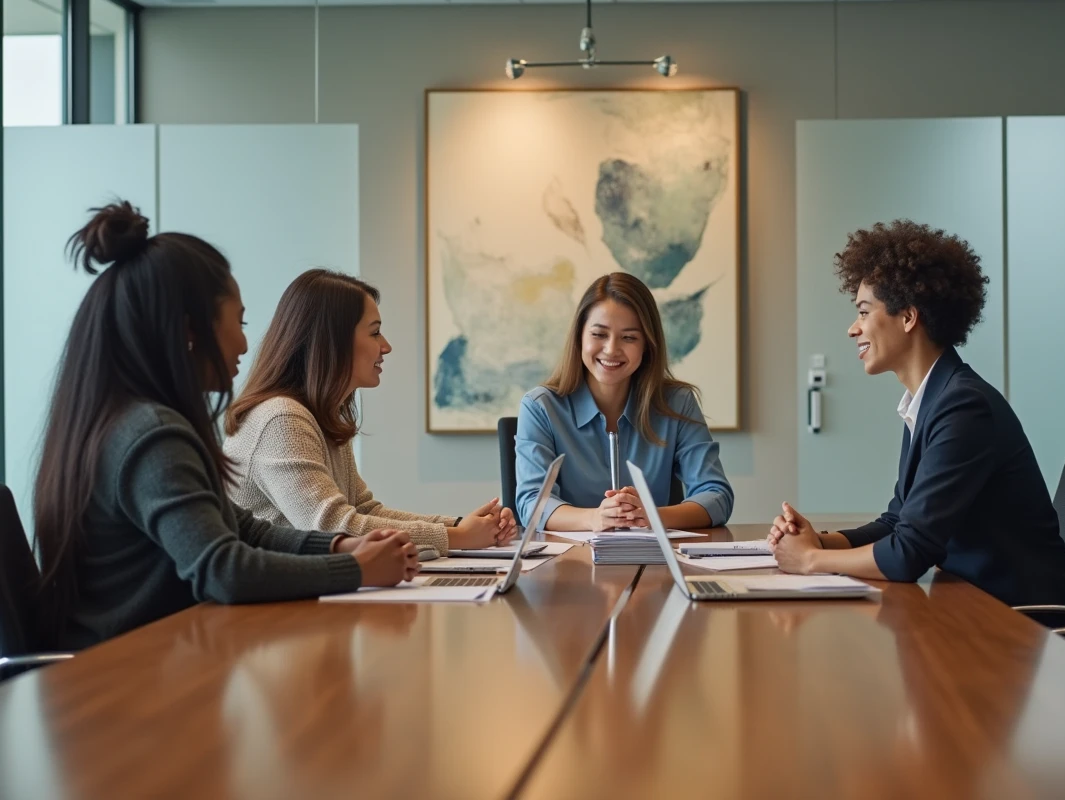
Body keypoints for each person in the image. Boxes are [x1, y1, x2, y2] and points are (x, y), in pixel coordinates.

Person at [33, 203, 420, 651]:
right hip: (127, 679)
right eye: (238, 322)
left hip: (155, 659)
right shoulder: (152, 435)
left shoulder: (135, 422)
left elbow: (243, 529)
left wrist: (338, 549)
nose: (243, 343)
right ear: (189, 332)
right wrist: (357, 570)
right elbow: (224, 569)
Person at [769, 220, 1065, 607]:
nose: (853, 329)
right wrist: (820, 540)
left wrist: (811, 560)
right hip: (975, 610)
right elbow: (897, 522)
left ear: (908, 317)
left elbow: (907, 555)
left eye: (864, 312)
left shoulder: (963, 407)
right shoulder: (933, 399)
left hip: (1023, 630)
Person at [224, 269, 514, 555]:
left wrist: (462, 526)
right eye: (375, 332)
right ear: (332, 341)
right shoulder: (281, 419)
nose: (386, 346)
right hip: (276, 599)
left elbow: (363, 510)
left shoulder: (319, 416)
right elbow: (332, 527)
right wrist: (457, 536)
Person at [516, 272, 733, 532]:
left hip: (653, 565)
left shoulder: (678, 403)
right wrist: (593, 518)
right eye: (599, 334)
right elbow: (532, 504)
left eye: (629, 337)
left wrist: (651, 516)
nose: (611, 349)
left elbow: (717, 495)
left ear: (647, 345)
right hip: (567, 564)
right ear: (579, 337)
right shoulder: (540, 407)